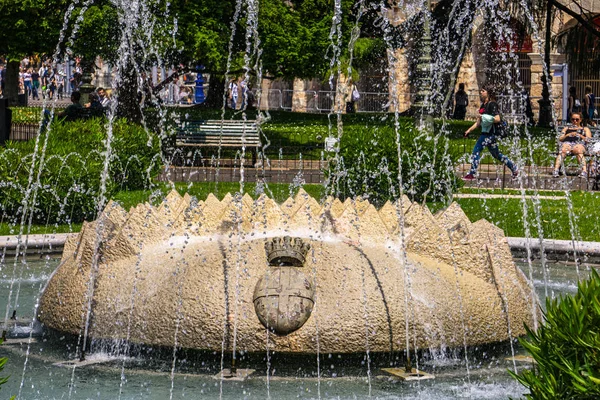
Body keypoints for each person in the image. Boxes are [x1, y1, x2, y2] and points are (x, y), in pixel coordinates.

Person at [463, 86, 519, 180]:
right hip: (486, 133)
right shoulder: (483, 105)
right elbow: (478, 122)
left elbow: (497, 119)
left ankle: (472, 173)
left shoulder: (492, 104)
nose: (481, 92)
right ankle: (514, 168)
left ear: (488, 93)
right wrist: (468, 130)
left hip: (489, 133)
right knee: (496, 154)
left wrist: (484, 117)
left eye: (483, 91)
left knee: (476, 151)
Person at [552, 112, 592, 178]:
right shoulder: (566, 128)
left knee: (578, 149)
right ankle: (556, 170)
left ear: (580, 120)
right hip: (567, 143)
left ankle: (584, 171)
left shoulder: (585, 129)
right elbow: (560, 138)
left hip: (580, 144)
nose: (575, 121)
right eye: (573, 119)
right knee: (563, 149)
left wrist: (579, 135)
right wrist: (567, 135)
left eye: (577, 119)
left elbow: (589, 139)